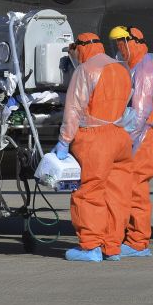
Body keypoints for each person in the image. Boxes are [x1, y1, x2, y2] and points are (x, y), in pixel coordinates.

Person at [54, 32, 133, 262]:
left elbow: (73, 111)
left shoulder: (86, 70)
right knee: (117, 194)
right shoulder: (121, 68)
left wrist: (64, 141)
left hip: (94, 138)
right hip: (120, 137)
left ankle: (90, 247)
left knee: (89, 192)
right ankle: (112, 247)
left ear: (82, 47)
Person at [109, 25, 153, 258]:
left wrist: (121, 138)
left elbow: (139, 114)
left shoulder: (145, 70)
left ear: (133, 42)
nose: (118, 47)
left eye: (121, 42)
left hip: (143, 138)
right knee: (128, 189)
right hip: (137, 136)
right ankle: (129, 237)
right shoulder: (133, 68)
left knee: (135, 190)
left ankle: (138, 241)